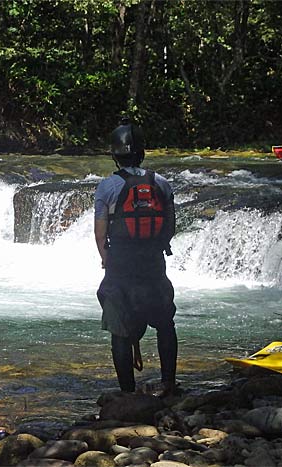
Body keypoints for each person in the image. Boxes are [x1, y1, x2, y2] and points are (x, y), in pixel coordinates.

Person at [94, 118, 178, 395]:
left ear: (115, 156)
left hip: (120, 265)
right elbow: (170, 226)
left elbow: (100, 231)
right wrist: (157, 246)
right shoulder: (162, 183)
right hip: (153, 263)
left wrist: (106, 257)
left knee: (120, 329)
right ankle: (168, 383)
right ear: (141, 153)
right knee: (165, 323)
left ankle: (127, 393)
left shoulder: (107, 187)